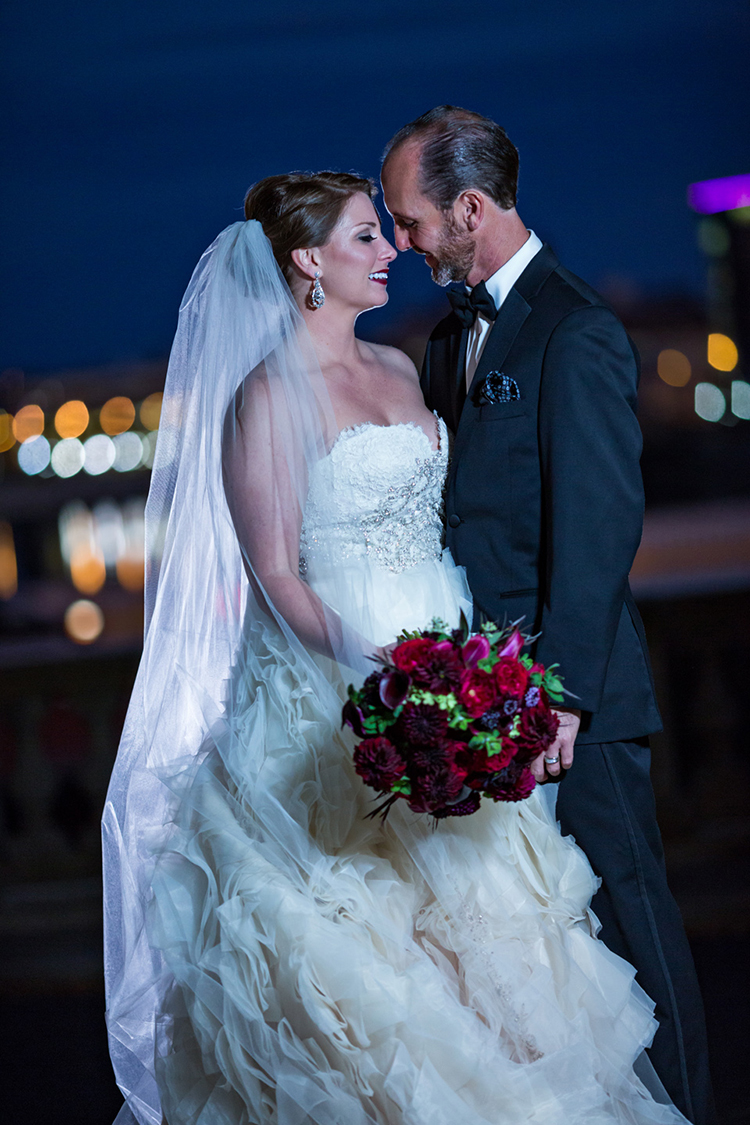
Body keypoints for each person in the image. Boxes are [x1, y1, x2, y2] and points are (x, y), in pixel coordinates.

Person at [104, 170, 693, 1125]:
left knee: (501, 931)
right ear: (307, 261)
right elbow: (275, 574)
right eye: (366, 238)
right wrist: (379, 670)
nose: (392, 252)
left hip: (449, 648)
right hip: (342, 681)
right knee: (376, 961)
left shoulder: (399, 368)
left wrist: (460, 670)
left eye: (388, 233)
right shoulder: (265, 396)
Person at [381, 105, 715, 1125]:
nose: (403, 244)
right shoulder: (448, 342)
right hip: (482, 707)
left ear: (470, 208)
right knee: (544, 949)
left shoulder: (579, 328)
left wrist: (558, 700)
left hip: (578, 709)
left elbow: (600, 527)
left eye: (412, 222)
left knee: (632, 925)